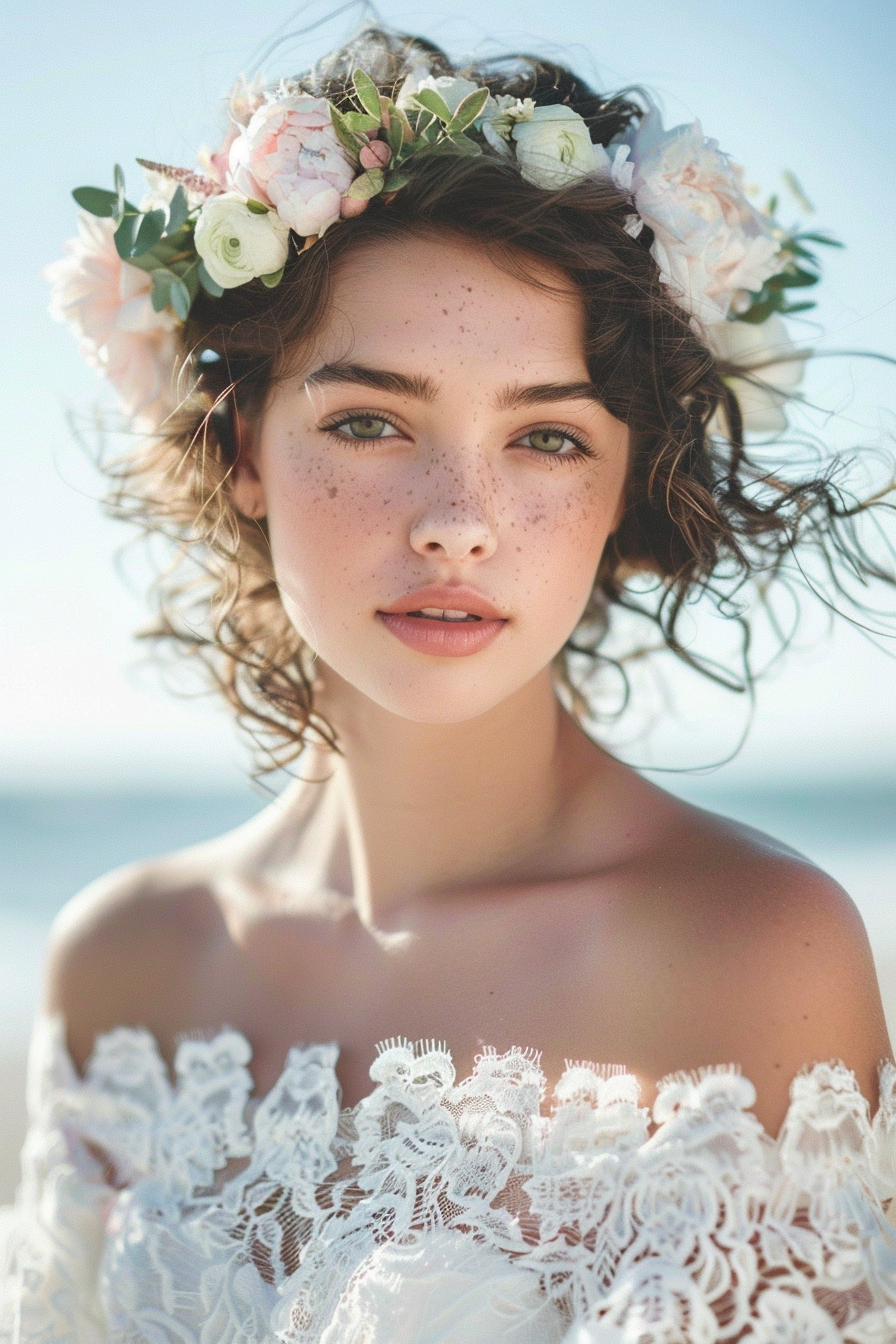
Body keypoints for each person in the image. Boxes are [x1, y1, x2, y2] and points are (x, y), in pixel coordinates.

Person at [3, 24, 894, 1343]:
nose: (456, 524)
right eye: (371, 421)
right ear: (245, 447)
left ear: (620, 486)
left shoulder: (754, 953)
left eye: (544, 437)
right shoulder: (120, 972)